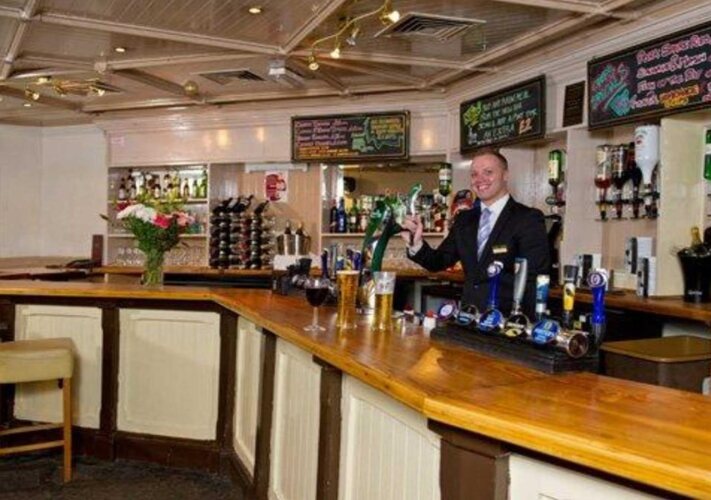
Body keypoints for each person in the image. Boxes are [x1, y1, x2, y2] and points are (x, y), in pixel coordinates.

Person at [401, 150, 550, 317]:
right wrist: (416, 243)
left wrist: (521, 322)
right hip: (469, 317)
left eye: (488, 172)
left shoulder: (527, 218)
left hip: (507, 321)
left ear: (505, 175)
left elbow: (535, 278)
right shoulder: (464, 219)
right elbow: (439, 261)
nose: (479, 179)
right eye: (474, 174)